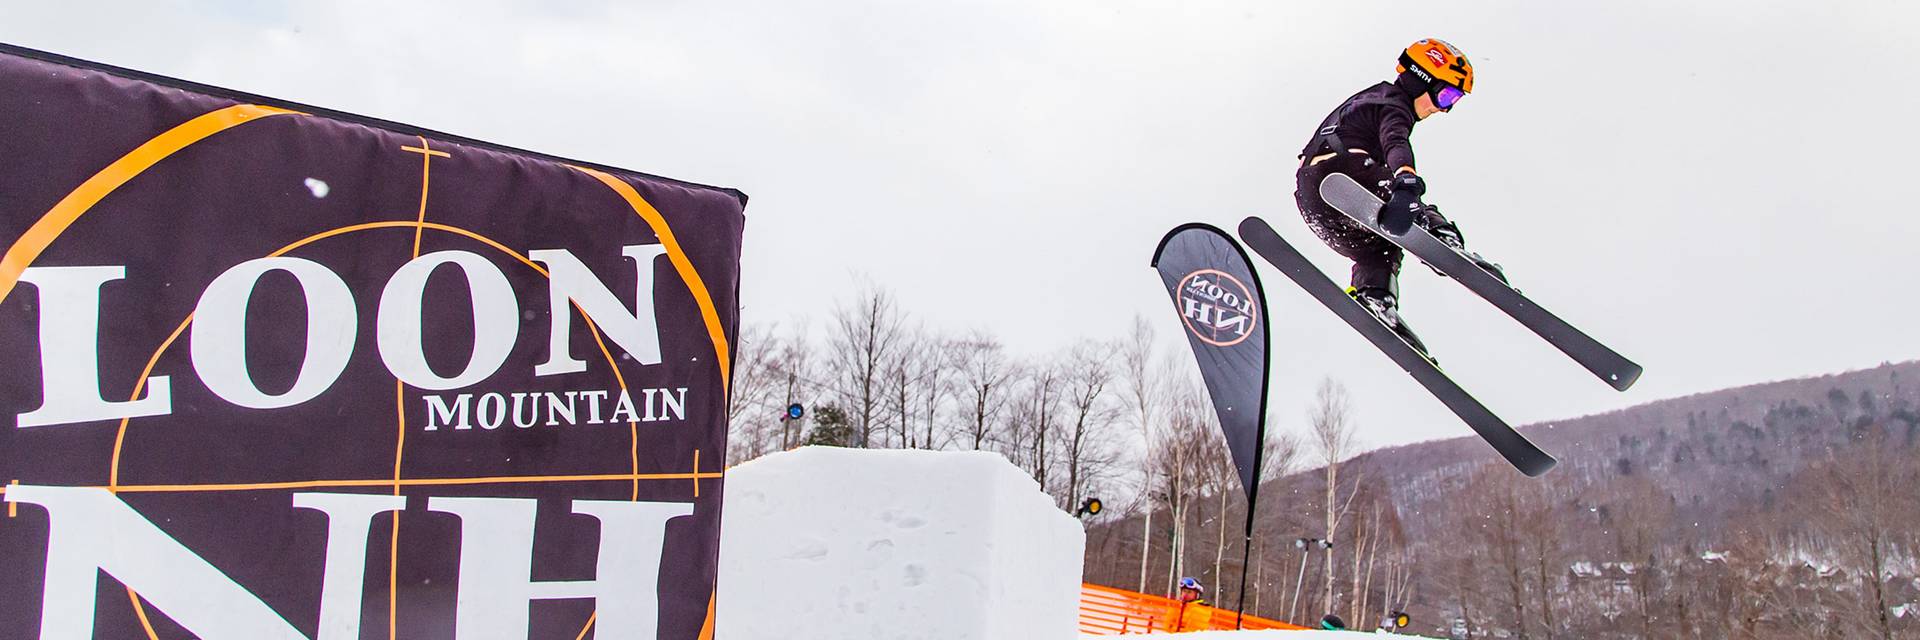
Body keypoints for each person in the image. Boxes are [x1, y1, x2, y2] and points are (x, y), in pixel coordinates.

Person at [1294, 38, 1502, 359]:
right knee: (1409, 205)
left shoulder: (1373, 99)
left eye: (1454, 100)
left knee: (1383, 244)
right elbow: (1395, 140)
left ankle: (1374, 296)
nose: (1443, 108)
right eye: (1446, 95)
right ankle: (1443, 239)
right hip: (1341, 172)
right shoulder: (1392, 103)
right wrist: (1406, 179)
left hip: (1316, 203)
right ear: (1422, 79)